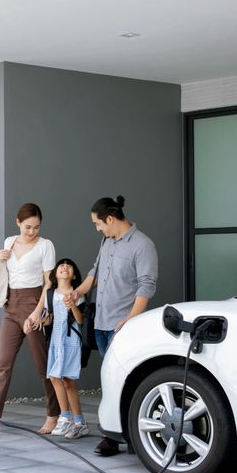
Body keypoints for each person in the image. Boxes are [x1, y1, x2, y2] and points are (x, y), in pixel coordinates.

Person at [72, 195, 158, 456]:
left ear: (110, 219)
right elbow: (94, 273)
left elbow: (147, 285)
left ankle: (119, 438)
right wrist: (76, 293)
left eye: (98, 224)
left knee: (127, 381)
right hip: (101, 322)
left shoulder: (143, 245)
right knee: (110, 381)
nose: (97, 228)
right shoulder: (106, 242)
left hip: (124, 325)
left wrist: (131, 319)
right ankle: (116, 432)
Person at [0, 203, 60, 436]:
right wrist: (1, 260)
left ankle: (54, 415)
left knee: (43, 366)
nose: (32, 232)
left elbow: (49, 283)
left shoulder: (45, 246)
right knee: (3, 364)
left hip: (34, 303)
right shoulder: (9, 242)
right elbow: (6, 275)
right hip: (11, 306)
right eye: (28, 227)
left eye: (36, 227)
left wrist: (37, 312)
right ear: (18, 222)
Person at [45, 258, 90, 439]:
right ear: (55, 273)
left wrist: (73, 306)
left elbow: (80, 321)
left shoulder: (77, 294)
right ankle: (69, 419)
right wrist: (42, 320)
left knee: (68, 381)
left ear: (74, 275)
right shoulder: (50, 293)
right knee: (55, 378)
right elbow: (49, 318)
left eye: (69, 265)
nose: (64, 267)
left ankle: (75, 421)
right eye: (61, 265)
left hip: (71, 340)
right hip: (56, 341)